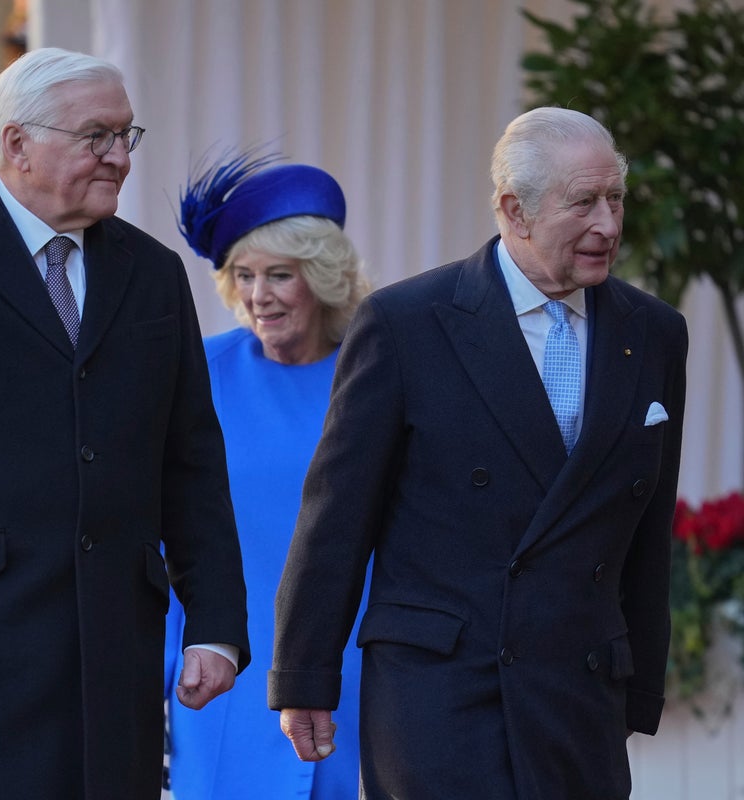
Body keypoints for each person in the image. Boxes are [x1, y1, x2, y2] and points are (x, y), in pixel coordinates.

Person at [0, 47, 250, 800]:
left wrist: (215, 623)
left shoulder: (152, 274)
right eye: (97, 136)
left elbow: (190, 458)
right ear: (18, 145)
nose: (120, 158)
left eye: (127, 136)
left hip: (114, 652)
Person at [269, 106, 688, 799]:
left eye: (616, 199)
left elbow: (647, 529)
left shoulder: (654, 332)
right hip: (441, 692)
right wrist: (304, 676)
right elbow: (337, 517)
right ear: (513, 211)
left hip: (578, 688)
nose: (609, 226)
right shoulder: (408, 324)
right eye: (583, 203)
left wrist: (639, 683)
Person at [164, 152, 370, 799]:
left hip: (354, 666)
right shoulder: (201, 372)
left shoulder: (372, 376)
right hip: (225, 673)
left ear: (324, 277)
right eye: (244, 275)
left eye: (280, 275)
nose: (258, 295)